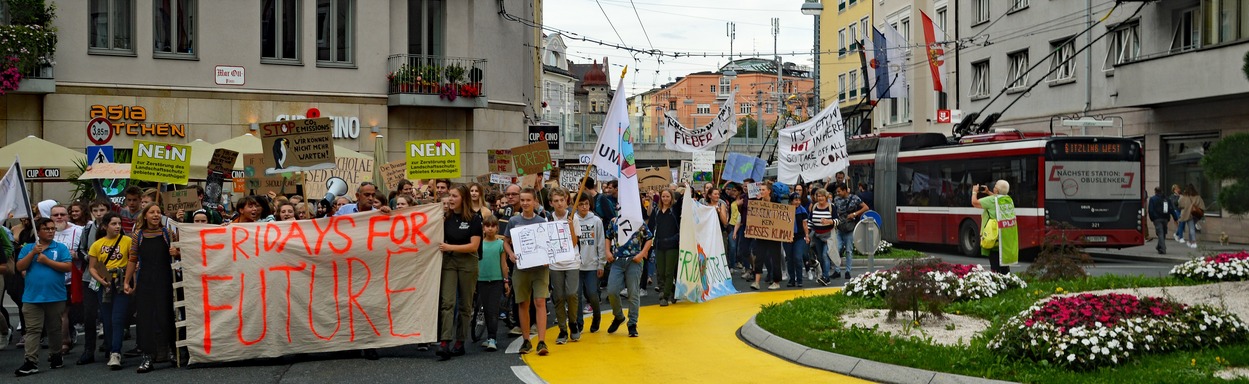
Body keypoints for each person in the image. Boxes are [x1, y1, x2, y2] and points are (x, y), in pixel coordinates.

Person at [124, 204, 179, 373]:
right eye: (152, 212)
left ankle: (173, 351)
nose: (156, 215)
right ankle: (147, 357)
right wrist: (127, 282)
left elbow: (182, 252)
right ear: (145, 215)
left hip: (165, 279)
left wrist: (176, 252)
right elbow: (132, 259)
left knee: (166, 316)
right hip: (146, 281)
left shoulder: (168, 233)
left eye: (158, 212)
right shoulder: (137, 235)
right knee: (144, 319)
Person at [14, 218, 73, 377]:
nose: (51, 231)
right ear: (38, 231)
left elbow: (68, 267)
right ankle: (31, 361)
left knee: (54, 329)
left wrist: (46, 261)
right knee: (33, 330)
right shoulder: (28, 248)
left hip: (55, 296)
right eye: (46, 228)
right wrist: (33, 253)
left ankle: (56, 354)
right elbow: (19, 267)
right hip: (32, 297)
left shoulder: (60, 248)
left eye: (53, 228)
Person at [436, 185, 483, 360]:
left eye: (454, 196)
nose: (450, 199)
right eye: (449, 196)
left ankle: (460, 340)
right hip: (449, 261)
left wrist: (449, 247)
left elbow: (474, 246)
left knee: (465, 304)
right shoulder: (445, 217)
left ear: (463, 198)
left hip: (468, 261)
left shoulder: (474, 219)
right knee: (447, 302)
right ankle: (445, 340)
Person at [502, 188, 550, 355]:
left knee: (540, 302)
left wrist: (547, 258)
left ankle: (542, 341)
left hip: (540, 269)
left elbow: (549, 245)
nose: (524, 203)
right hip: (521, 267)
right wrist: (510, 254)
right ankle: (526, 340)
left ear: (534, 201)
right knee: (523, 303)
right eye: (522, 200)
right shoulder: (514, 221)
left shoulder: (543, 222)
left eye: (528, 200)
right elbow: (506, 242)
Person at [86, 213, 132, 370]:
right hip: (104, 283)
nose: (117, 226)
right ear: (105, 226)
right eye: (113, 224)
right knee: (107, 319)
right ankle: (111, 346)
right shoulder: (97, 244)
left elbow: (133, 261)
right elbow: (92, 267)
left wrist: (128, 279)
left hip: (121, 283)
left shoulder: (128, 241)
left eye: (119, 223)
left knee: (117, 318)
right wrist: (101, 280)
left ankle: (115, 352)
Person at [74, 200, 111, 365]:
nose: (99, 213)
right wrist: (88, 257)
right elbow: (80, 249)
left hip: (108, 276)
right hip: (90, 277)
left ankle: (111, 347)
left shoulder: (113, 227)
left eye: (102, 210)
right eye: (95, 210)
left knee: (107, 313)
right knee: (89, 315)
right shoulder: (88, 228)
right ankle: (89, 349)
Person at [605, 212, 654, 337]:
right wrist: (607, 251)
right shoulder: (614, 221)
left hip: (633, 260)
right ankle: (619, 316)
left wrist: (642, 254)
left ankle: (632, 323)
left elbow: (649, 238)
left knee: (633, 292)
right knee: (612, 290)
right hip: (617, 260)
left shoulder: (638, 221)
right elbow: (608, 236)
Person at [544, 188, 581, 344]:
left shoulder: (573, 217)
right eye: (556, 201)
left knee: (572, 294)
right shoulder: (547, 219)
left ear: (567, 200)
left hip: (572, 261)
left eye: (562, 200)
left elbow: (574, 242)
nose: (559, 203)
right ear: (551, 203)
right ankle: (562, 329)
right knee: (558, 297)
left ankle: (573, 322)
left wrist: (570, 226)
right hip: (555, 263)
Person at [50, 204, 84, 355]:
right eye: (55, 215)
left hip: (73, 278)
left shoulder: (79, 231)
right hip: (52, 279)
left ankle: (65, 341)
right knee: (58, 312)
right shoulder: (46, 232)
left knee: (66, 311)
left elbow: (87, 252)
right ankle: (64, 340)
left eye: (62, 214)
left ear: (68, 215)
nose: (59, 217)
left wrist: (76, 255)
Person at [572, 192, 607, 334]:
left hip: (592, 264)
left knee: (592, 293)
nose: (584, 207)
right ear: (576, 205)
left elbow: (601, 242)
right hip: (576, 264)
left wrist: (601, 263)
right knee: (577, 295)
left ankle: (596, 316)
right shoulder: (572, 220)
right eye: (580, 204)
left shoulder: (596, 221)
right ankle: (579, 322)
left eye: (586, 203)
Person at [742, 182, 784, 290]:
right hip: (761, 235)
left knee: (775, 258)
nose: (761, 192)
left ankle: (776, 281)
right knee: (759, 258)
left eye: (763, 190)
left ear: (769, 191)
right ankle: (756, 282)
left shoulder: (776, 202)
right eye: (760, 190)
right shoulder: (756, 203)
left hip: (774, 235)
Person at [970, 180, 1017, 274]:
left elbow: (974, 203)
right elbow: (996, 199)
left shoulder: (991, 200)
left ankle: (998, 282)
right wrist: (988, 192)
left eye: (995, 186)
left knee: (995, 263)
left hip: (993, 236)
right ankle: (1007, 281)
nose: (994, 187)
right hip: (1004, 236)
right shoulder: (1007, 199)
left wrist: (974, 191)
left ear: (997, 191)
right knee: (1003, 264)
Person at [476, 216, 507, 352]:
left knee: (493, 310)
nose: (490, 228)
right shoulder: (478, 244)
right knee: (486, 309)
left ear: (497, 228)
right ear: (483, 228)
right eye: (487, 226)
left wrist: (505, 280)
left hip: (496, 280)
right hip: (481, 280)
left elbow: (503, 263)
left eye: (493, 226)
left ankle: (492, 337)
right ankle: (489, 336)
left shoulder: (500, 244)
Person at [646, 189, 681, 306]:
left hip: (672, 245)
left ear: (671, 198)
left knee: (669, 271)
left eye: (667, 196)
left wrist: (685, 190)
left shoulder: (674, 210)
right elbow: (651, 226)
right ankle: (672, 289)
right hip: (659, 244)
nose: (665, 199)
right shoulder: (657, 211)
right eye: (663, 196)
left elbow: (681, 202)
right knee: (660, 271)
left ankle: (664, 296)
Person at [833, 182, 869, 279]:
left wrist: (855, 214)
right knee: (837, 249)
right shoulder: (836, 199)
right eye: (837, 192)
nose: (838, 193)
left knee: (849, 250)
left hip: (849, 228)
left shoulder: (855, 198)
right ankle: (837, 270)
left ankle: (848, 271)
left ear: (845, 190)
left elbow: (866, 207)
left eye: (839, 191)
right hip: (839, 228)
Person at [808, 189, 839, 285]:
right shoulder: (814, 207)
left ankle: (826, 277)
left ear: (826, 197)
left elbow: (837, 221)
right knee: (820, 257)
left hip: (828, 236)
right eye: (818, 196)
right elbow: (810, 221)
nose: (820, 198)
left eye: (822, 196)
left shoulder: (831, 207)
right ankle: (822, 275)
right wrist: (807, 234)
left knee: (826, 255)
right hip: (817, 235)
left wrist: (829, 222)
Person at [786, 193, 810, 287]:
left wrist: (807, 235)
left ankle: (799, 279)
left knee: (797, 257)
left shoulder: (803, 211)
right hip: (787, 236)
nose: (798, 202)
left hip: (799, 237)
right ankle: (792, 279)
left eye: (799, 200)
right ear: (791, 201)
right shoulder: (786, 210)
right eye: (795, 200)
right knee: (789, 258)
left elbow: (805, 224)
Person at [1178, 184, 1206, 249]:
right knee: (1192, 227)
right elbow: (1202, 206)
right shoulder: (1197, 196)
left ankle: (1193, 242)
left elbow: (1180, 205)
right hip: (1196, 214)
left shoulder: (1185, 197)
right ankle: (1190, 242)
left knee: (1191, 228)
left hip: (1188, 214)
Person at [1147, 187, 1169, 255]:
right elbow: (1170, 208)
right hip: (1165, 218)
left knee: (1160, 233)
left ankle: (1161, 248)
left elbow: (1150, 210)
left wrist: (1152, 218)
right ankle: (1161, 247)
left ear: (1155, 191)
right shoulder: (1166, 199)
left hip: (1157, 219)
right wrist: (1174, 218)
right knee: (1163, 233)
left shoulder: (1153, 199)